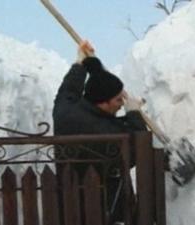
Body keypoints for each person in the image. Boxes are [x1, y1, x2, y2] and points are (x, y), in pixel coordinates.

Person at [53, 40, 147, 225]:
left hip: (66, 198)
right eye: (119, 100)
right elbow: (137, 149)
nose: (122, 104)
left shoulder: (67, 109)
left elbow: (68, 89)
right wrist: (134, 114)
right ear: (103, 102)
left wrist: (82, 64)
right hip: (100, 205)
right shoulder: (101, 130)